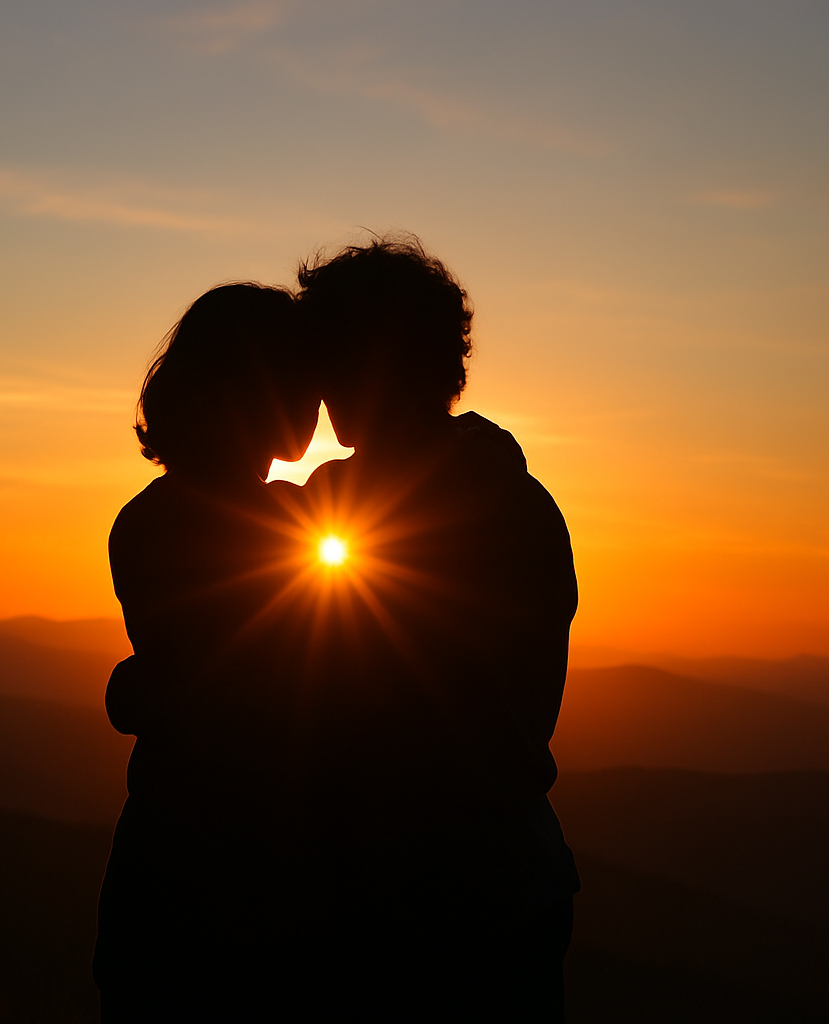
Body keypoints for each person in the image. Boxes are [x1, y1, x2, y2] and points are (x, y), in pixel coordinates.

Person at [291, 236, 580, 1020]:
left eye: (334, 356)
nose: (321, 385)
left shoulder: (347, 504)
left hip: (421, 911)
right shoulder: (519, 498)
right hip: (510, 888)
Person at [92, 283, 320, 1020]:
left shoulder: (142, 519)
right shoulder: (288, 528)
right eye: (305, 377)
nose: (320, 399)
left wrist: (138, 695)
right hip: (251, 883)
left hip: (161, 867)